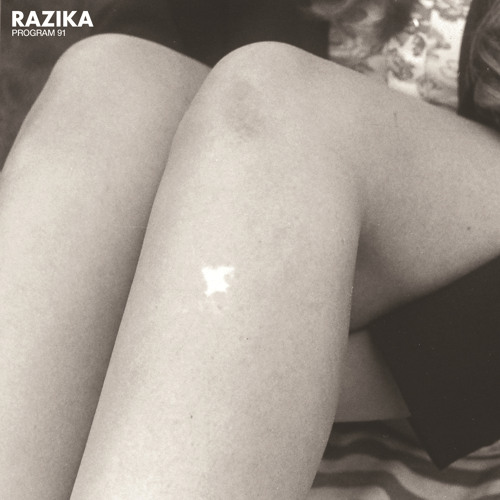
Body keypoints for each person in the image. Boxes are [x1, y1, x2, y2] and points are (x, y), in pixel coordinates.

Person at [0, 0, 499, 498]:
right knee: (112, 75)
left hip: (450, 323)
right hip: (257, 245)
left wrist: (279, 365)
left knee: (281, 100)